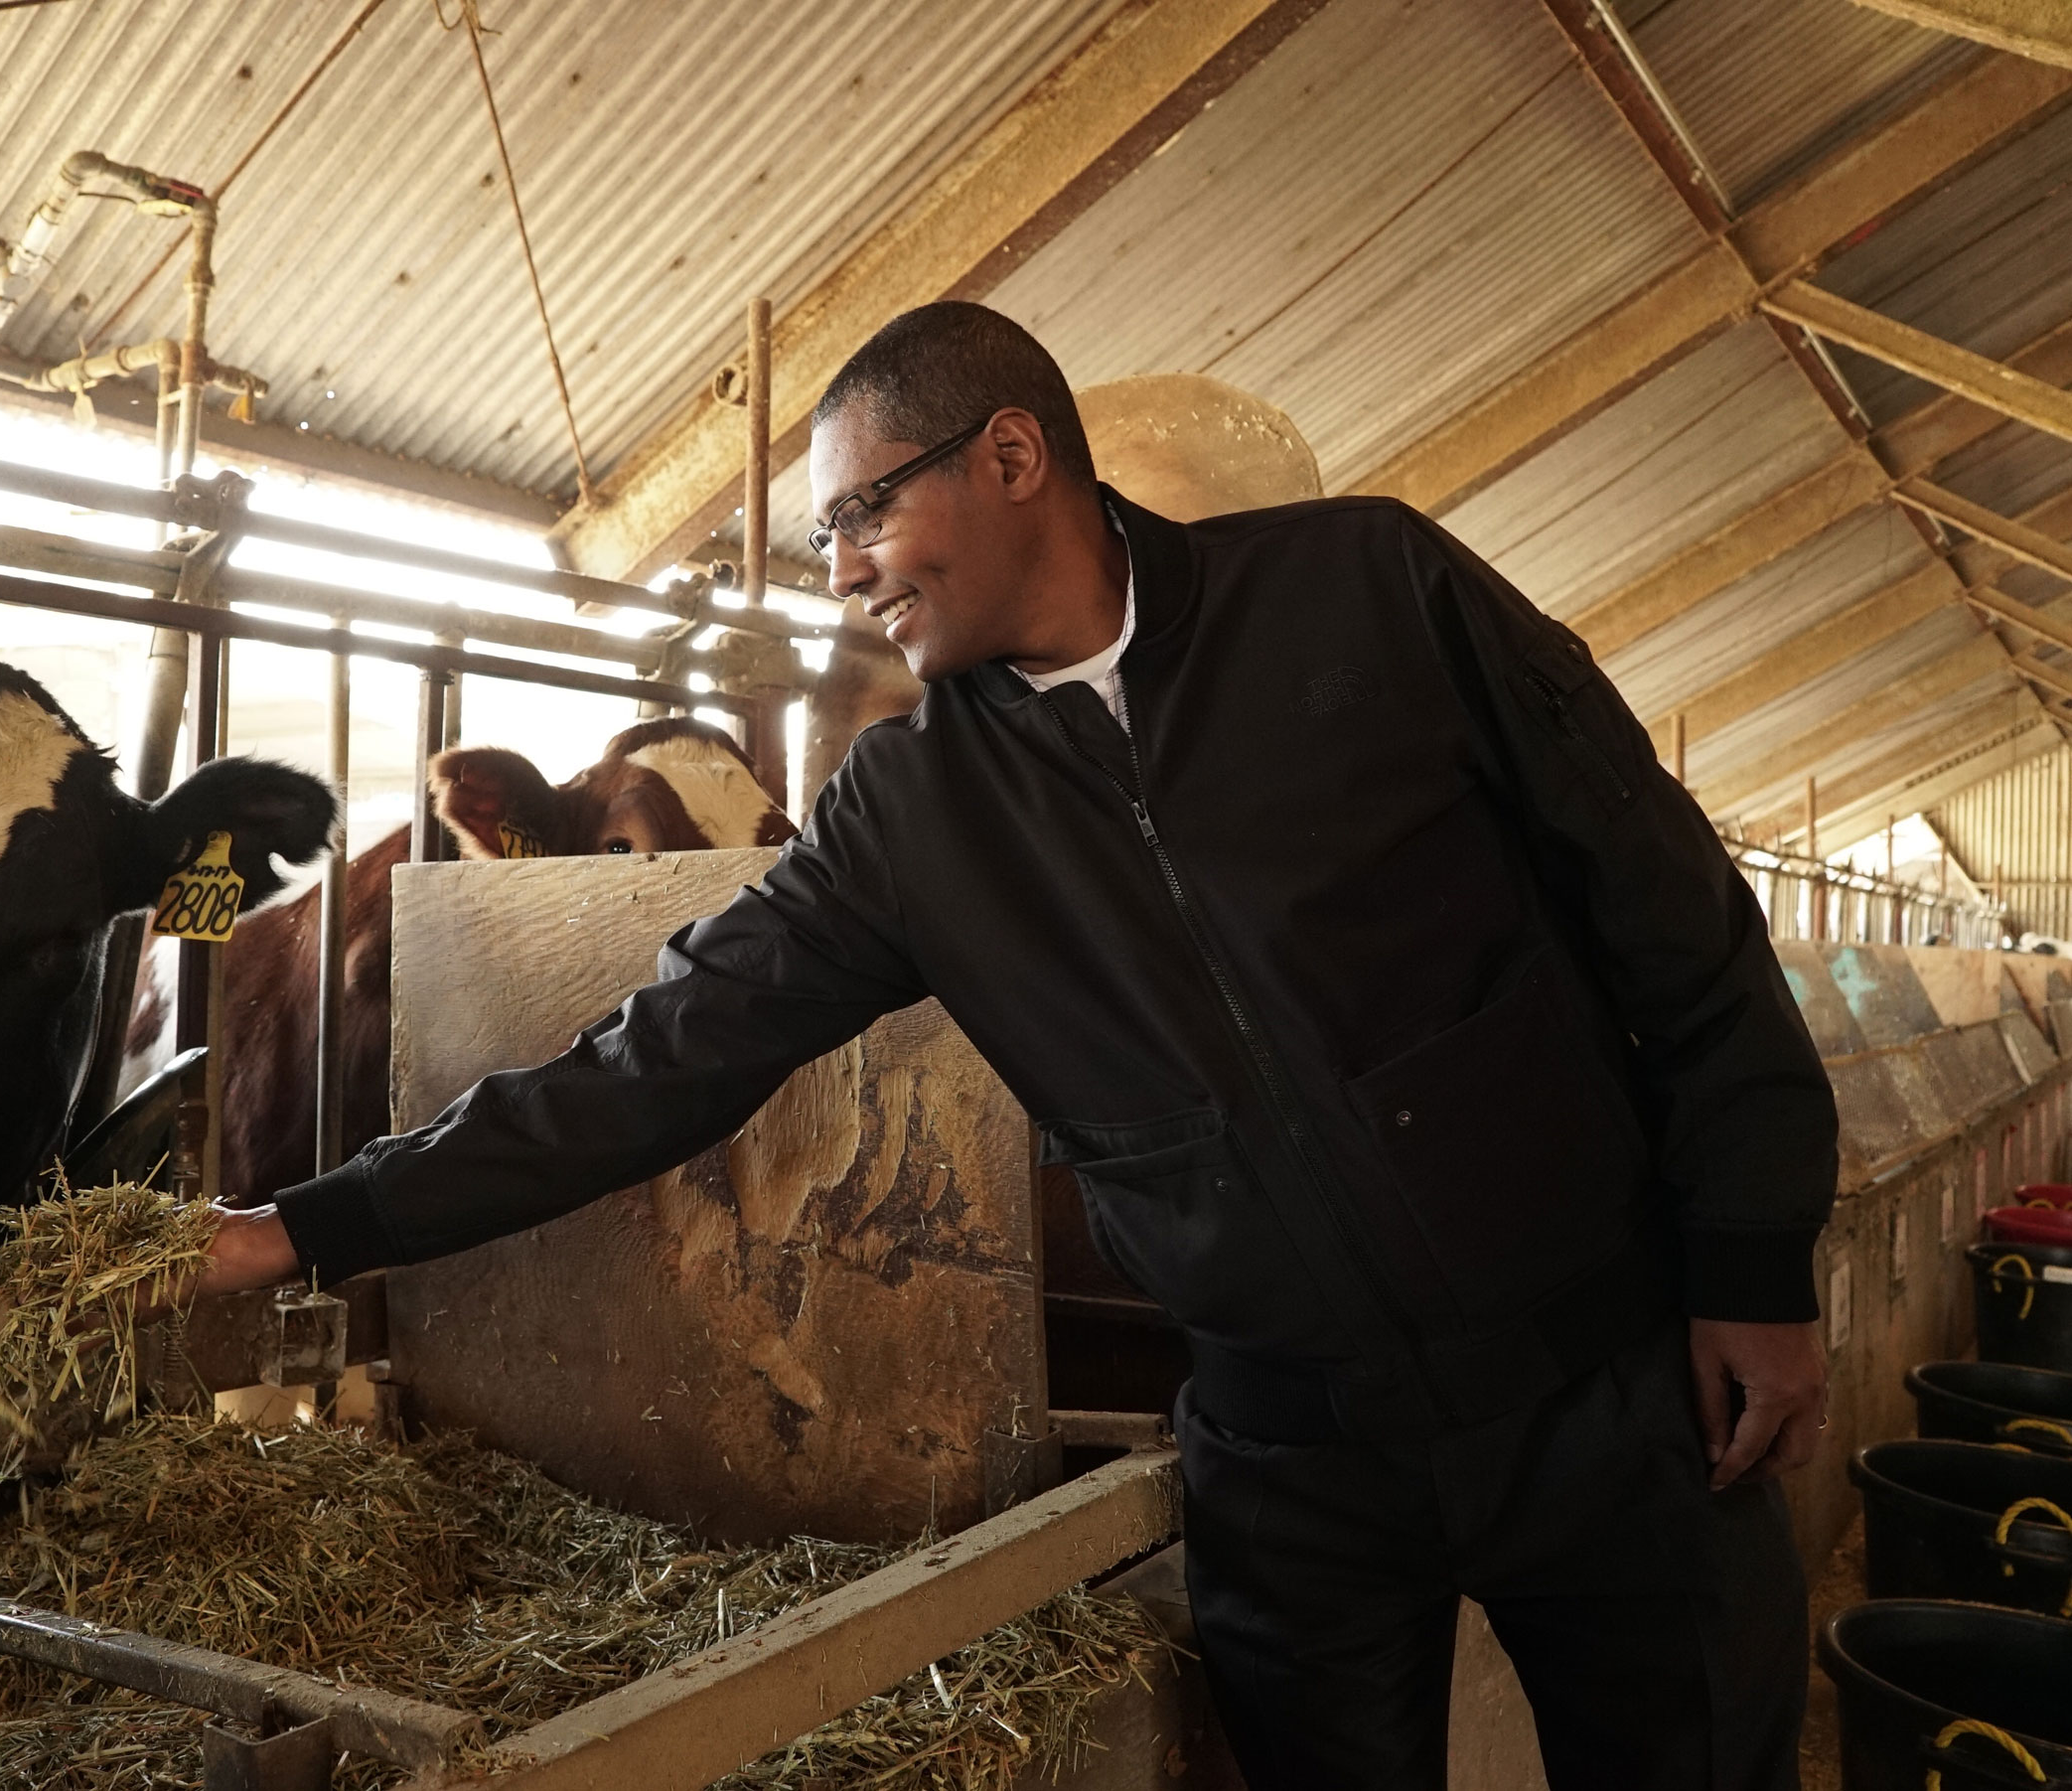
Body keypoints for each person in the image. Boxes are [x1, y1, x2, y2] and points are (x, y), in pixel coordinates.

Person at [201, 302, 1836, 1789]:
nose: (839, 568)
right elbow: (655, 1060)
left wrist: (1754, 1256)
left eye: (861, 512)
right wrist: (308, 1227)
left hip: (1606, 1384)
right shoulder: (914, 816)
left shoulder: (1372, 591)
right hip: (1295, 1462)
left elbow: (1669, 906)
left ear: (1010, 454)